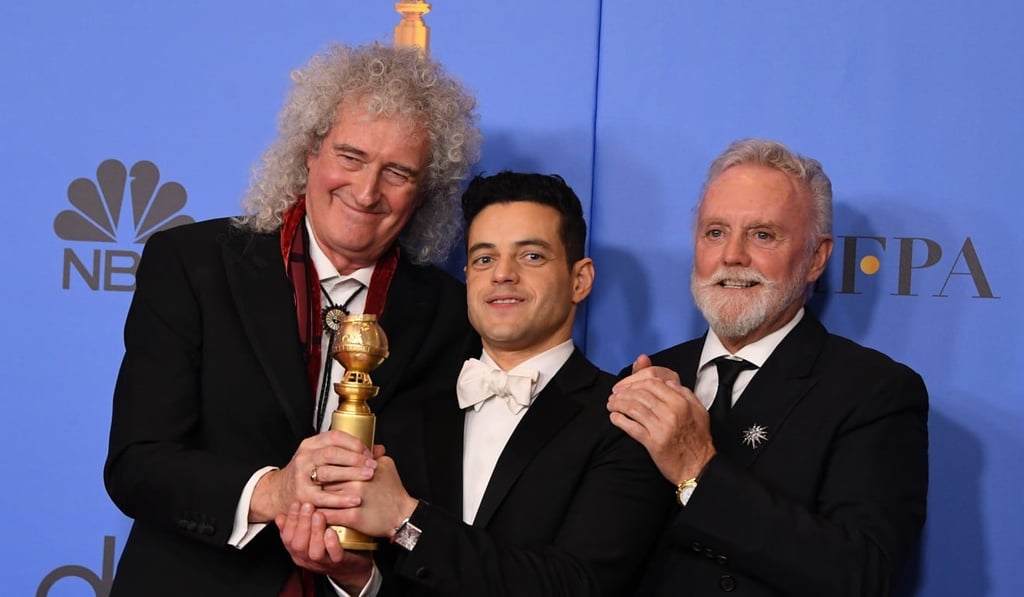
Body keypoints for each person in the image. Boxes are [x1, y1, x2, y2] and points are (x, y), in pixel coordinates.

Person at [104, 43, 481, 597]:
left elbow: (438, 507)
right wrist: (273, 492)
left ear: (424, 191)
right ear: (311, 150)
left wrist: (362, 580)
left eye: (397, 172)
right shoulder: (192, 263)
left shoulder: (452, 315)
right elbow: (137, 465)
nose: (367, 191)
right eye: (350, 157)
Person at [276, 171, 673, 596]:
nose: (502, 274)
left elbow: (579, 586)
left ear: (580, 279)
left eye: (532, 256)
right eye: (485, 258)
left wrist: (406, 520)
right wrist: (356, 577)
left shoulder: (624, 422)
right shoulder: (408, 411)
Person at [607, 139, 929, 597]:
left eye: (762, 235)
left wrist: (698, 468)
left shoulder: (874, 391)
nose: (732, 256)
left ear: (816, 257)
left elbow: (862, 573)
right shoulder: (647, 377)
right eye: (714, 232)